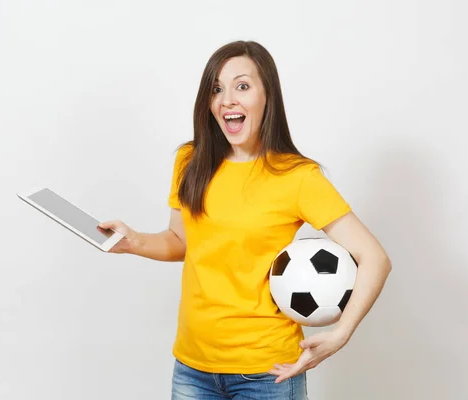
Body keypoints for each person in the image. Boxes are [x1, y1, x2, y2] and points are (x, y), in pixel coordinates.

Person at [98, 40, 392, 400]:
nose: (227, 100)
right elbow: (182, 241)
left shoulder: (297, 177)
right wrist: (133, 241)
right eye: (216, 89)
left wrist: (340, 335)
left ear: (268, 95)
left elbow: (374, 258)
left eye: (242, 86)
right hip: (193, 367)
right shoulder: (191, 161)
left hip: (267, 373)